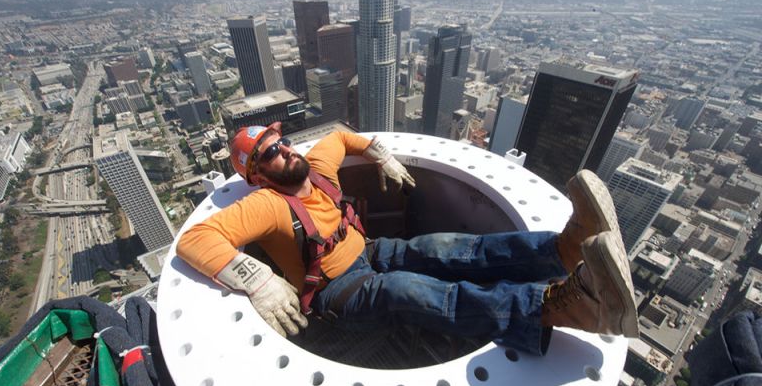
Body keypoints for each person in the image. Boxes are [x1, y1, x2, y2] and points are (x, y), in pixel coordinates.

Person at [176, 123, 639, 355]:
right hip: (336, 291)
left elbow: (340, 136)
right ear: (256, 175)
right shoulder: (266, 205)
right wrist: (255, 277)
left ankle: (563, 250)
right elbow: (196, 240)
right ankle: (559, 307)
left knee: (453, 248)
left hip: (373, 252)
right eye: (270, 153)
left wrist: (379, 153)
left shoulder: (316, 170)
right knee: (412, 291)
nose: (285, 150)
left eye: (282, 141)